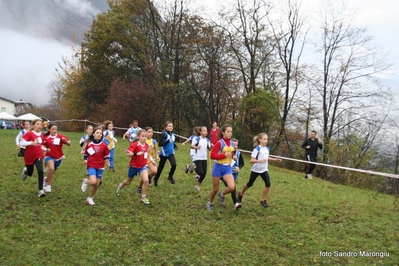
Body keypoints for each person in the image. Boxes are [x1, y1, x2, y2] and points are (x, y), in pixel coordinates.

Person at [237, 133, 282, 207]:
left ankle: (263, 200)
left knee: (268, 183)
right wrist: (259, 161)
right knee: (250, 184)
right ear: (259, 140)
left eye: (267, 139)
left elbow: (266, 157)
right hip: (256, 170)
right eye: (264, 139)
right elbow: (251, 161)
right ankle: (241, 193)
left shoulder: (267, 149)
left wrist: (275, 160)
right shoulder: (257, 149)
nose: (266, 141)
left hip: (264, 170)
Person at [207, 125, 239, 211]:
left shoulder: (232, 143)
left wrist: (233, 156)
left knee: (232, 187)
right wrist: (223, 155)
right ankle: (210, 203)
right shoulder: (219, 143)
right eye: (228, 132)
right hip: (218, 167)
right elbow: (212, 156)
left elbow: (231, 153)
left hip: (227, 168)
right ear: (223, 132)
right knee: (215, 189)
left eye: (231, 132)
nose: (230, 133)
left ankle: (222, 194)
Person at [116, 129, 151, 205]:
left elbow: (146, 155)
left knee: (146, 180)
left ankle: (143, 197)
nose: (144, 138)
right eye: (142, 136)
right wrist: (136, 154)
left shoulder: (147, 145)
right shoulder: (135, 144)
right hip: (134, 166)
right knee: (128, 182)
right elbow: (128, 154)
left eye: (145, 136)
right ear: (138, 137)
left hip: (143, 166)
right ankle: (121, 186)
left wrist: (152, 160)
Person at [81, 127, 110, 206]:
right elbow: (86, 153)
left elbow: (106, 155)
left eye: (100, 133)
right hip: (91, 165)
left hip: (100, 166)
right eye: (97, 133)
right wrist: (85, 159)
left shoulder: (104, 145)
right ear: (93, 134)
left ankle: (90, 198)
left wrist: (107, 160)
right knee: (93, 182)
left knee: (97, 184)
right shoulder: (89, 144)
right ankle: (86, 181)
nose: (99, 134)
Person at [19, 119, 48, 197]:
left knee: (40, 171)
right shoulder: (29, 133)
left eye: (41, 124)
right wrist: (31, 143)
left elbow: (40, 145)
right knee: (30, 173)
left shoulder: (42, 134)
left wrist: (45, 149)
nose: (39, 126)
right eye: (38, 124)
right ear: (33, 125)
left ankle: (41, 190)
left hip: (38, 155)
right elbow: (21, 142)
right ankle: (26, 171)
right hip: (29, 156)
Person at [43, 123, 71, 193]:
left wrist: (66, 142)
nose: (55, 131)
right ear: (49, 129)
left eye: (56, 129)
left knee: (52, 171)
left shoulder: (60, 136)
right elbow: (41, 146)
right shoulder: (46, 138)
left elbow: (69, 143)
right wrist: (45, 149)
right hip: (49, 156)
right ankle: (48, 185)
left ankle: (46, 179)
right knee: (51, 169)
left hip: (59, 157)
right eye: (53, 129)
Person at [220, 138, 244, 208]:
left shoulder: (238, 154)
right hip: (224, 173)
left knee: (231, 187)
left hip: (233, 174)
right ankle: (235, 203)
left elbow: (242, 163)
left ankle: (222, 194)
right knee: (232, 187)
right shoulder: (226, 152)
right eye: (234, 145)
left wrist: (239, 167)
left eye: (237, 145)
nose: (235, 147)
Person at [154, 121, 177, 186]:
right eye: (169, 126)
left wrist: (175, 146)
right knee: (160, 168)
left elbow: (172, 142)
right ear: (166, 127)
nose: (171, 127)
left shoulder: (173, 134)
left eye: (172, 126)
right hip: (164, 154)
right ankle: (155, 179)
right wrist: (167, 141)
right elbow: (160, 144)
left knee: (174, 165)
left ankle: (170, 176)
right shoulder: (164, 134)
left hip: (171, 153)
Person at [137, 127, 159, 192]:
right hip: (144, 160)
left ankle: (150, 177)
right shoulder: (143, 140)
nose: (150, 133)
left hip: (151, 159)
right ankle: (139, 187)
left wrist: (157, 156)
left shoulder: (154, 141)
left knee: (155, 171)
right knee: (144, 176)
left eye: (152, 132)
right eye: (149, 132)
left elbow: (156, 149)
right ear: (145, 132)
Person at [191, 126, 212, 191]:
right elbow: (191, 146)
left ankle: (197, 185)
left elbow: (209, 149)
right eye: (204, 131)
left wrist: (211, 146)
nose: (205, 132)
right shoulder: (197, 139)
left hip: (204, 158)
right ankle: (193, 167)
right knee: (200, 172)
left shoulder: (207, 140)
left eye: (206, 131)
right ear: (200, 132)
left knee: (204, 173)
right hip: (197, 158)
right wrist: (196, 147)